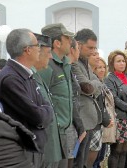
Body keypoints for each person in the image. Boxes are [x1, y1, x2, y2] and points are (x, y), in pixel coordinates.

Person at [0, 28, 53, 167]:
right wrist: (45, 111)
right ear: (27, 49)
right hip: (23, 148)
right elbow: (37, 115)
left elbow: (46, 106)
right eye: (36, 45)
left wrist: (45, 110)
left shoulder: (25, 74)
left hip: (34, 147)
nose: (39, 49)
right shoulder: (11, 78)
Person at [72, 29, 111, 167]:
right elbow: (86, 88)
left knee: (86, 162)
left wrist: (94, 85)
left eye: (94, 48)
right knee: (78, 162)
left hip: (91, 120)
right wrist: (97, 84)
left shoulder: (85, 63)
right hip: (80, 120)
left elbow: (93, 86)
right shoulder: (74, 63)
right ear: (78, 44)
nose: (92, 51)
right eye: (90, 47)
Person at [39, 23, 74, 167]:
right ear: (57, 43)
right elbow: (41, 97)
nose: (71, 42)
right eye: (67, 39)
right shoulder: (46, 65)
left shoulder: (64, 63)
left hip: (64, 132)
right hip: (52, 134)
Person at [32, 33, 63, 167]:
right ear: (37, 52)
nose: (50, 57)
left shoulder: (36, 75)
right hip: (41, 149)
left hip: (48, 148)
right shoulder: (29, 78)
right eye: (48, 52)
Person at [105, 50, 127, 168]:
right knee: (117, 151)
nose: (122, 64)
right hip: (119, 118)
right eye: (118, 61)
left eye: (123, 61)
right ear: (112, 63)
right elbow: (114, 98)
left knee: (125, 151)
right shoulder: (110, 79)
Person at [66, 38, 87, 168]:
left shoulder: (69, 69)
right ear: (72, 50)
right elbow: (71, 99)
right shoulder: (66, 69)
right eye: (78, 49)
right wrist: (80, 126)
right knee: (70, 161)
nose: (79, 52)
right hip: (70, 123)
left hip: (75, 121)